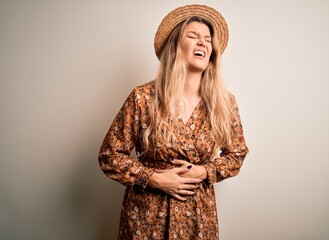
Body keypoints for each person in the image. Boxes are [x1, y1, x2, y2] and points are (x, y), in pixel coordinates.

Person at [98, 4, 249, 239]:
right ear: (176, 46)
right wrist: (154, 179)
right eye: (193, 36)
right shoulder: (143, 97)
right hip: (146, 219)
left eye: (208, 39)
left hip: (198, 219)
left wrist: (203, 171)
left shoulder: (224, 102)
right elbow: (109, 156)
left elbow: (237, 155)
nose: (202, 43)